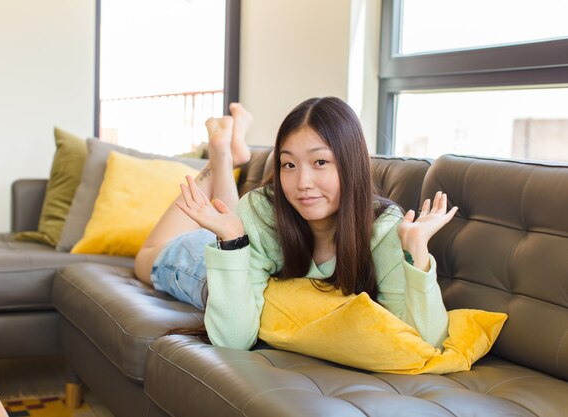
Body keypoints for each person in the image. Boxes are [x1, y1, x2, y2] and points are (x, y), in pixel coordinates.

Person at [135, 97, 458, 351]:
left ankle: (225, 151)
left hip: (248, 250)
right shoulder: (262, 207)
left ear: (351, 164)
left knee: (240, 220)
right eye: (288, 164)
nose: (302, 182)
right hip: (212, 271)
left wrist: (417, 251)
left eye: (320, 162)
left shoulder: (385, 227)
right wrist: (232, 240)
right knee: (145, 257)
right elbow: (232, 340)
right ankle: (220, 154)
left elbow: (426, 341)